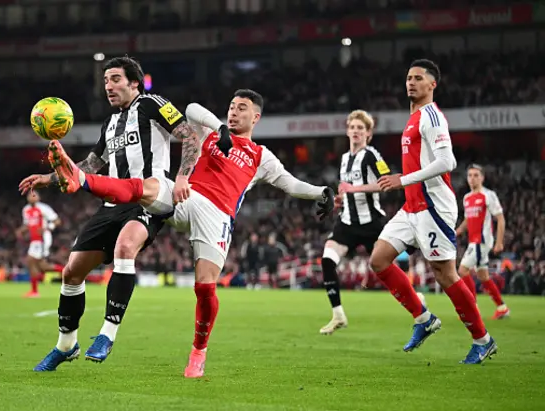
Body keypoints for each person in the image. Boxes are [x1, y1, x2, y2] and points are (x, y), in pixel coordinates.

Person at [46, 89, 337, 377]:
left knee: (205, 287)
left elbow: (290, 184)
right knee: (151, 185)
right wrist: (220, 127)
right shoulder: (211, 135)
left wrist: (321, 192)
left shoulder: (261, 156)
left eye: (242, 108)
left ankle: (199, 350)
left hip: (217, 215)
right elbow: (192, 108)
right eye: (232, 106)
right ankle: (83, 181)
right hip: (187, 197)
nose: (234, 112)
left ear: (256, 117)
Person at [18, 56, 204, 371]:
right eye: (105, 81)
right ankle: (66, 345)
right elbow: (91, 166)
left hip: (148, 196)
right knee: (71, 272)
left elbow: (190, 136)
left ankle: (107, 334)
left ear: (135, 82)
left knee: (125, 248)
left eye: (115, 79)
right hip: (111, 203)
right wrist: (49, 179)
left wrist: (184, 176)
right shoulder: (110, 123)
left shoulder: (152, 104)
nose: (108, 86)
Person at [369, 59, 497, 364]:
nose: (411, 83)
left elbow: (446, 163)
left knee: (445, 274)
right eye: (408, 78)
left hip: (433, 207)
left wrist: (403, 179)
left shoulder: (431, 116)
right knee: (379, 259)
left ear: (432, 85)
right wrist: (405, 183)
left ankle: (483, 339)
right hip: (411, 206)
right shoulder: (413, 118)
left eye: (418, 78)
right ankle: (424, 318)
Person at [319, 110, 390, 335]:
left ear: (368, 133)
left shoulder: (372, 155)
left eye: (361, 128)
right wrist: (340, 199)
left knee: (387, 272)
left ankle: (418, 303)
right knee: (328, 260)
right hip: (348, 223)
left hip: (372, 224)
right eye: (353, 127)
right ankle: (338, 314)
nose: (356, 131)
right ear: (347, 130)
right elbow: (346, 188)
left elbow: (386, 183)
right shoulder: (344, 158)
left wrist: (355, 189)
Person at [455, 164, 509, 319]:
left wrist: (499, 242)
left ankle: (472, 308)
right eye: (470, 175)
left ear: (482, 178)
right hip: (474, 241)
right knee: (483, 276)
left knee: (462, 270)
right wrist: (458, 231)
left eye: (476, 175)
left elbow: (500, 218)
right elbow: (467, 219)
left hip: (482, 241)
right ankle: (502, 307)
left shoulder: (488, 195)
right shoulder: (467, 198)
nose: (472, 178)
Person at [16, 191, 60, 298]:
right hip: (34, 240)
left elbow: (57, 221)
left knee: (30, 260)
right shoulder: (26, 210)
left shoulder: (44, 208)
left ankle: (34, 292)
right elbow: (27, 224)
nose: (32, 197)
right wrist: (20, 230)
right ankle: (68, 271)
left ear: (39, 198)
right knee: (43, 266)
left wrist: (47, 227)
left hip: (43, 238)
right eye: (30, 195)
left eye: (34, 195)